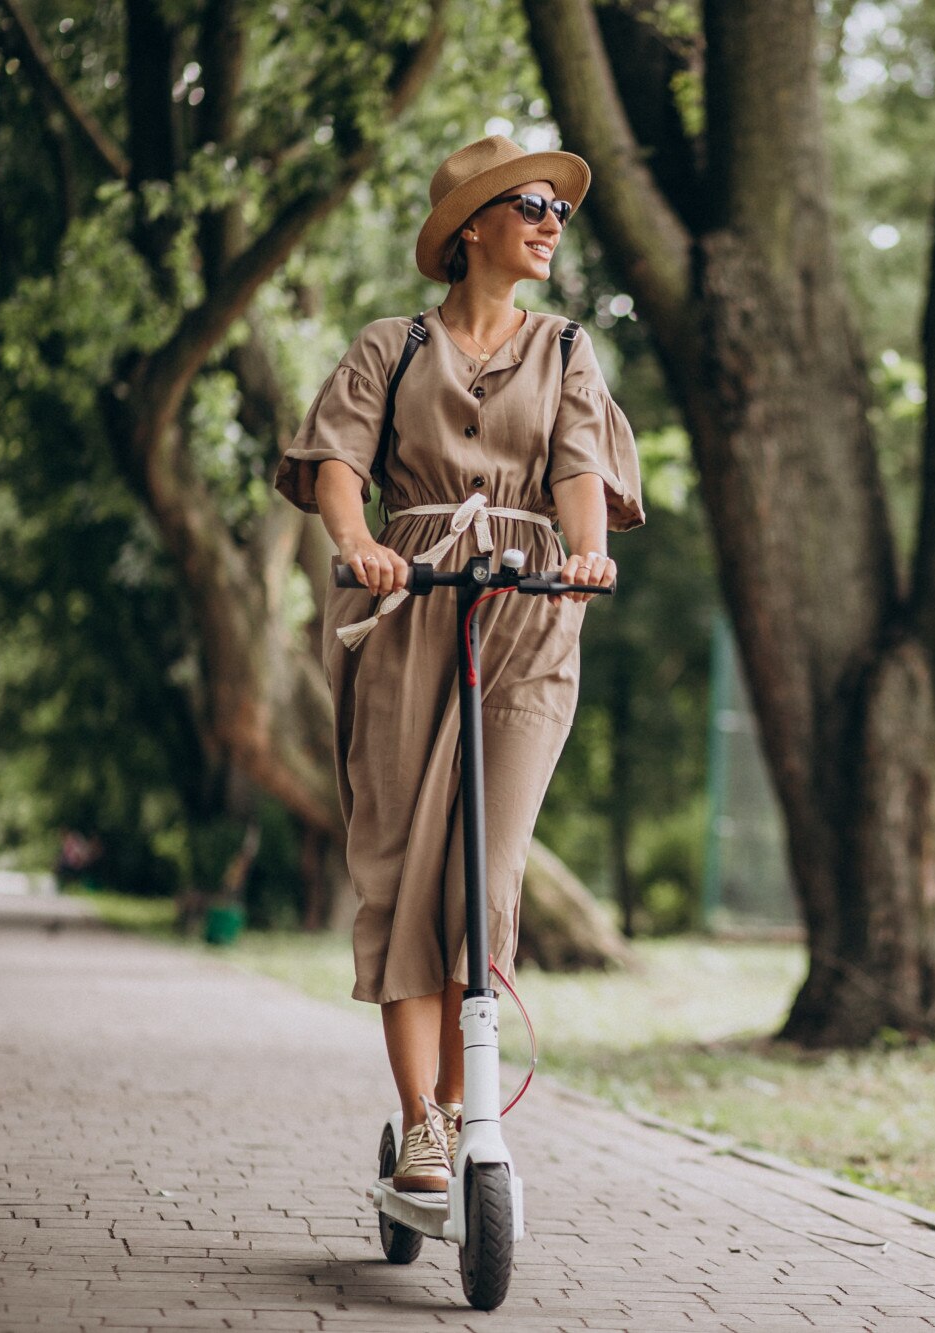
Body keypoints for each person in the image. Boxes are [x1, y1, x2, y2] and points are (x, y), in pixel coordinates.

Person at [274, 134, 643, 1193]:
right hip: (407, 603)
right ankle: (421, 1122)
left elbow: (579, 469)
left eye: (558, 211)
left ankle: (463, 1100)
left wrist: (587, 558)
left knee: (484, 871)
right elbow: (337, 467)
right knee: (397, 866)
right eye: (528, 204)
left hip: (528, 611)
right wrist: (358, 545)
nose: (548, 222)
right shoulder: (388, 346)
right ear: (469, 227)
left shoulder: (568, 347)